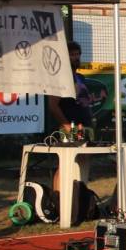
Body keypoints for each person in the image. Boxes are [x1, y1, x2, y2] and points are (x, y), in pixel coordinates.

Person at [47, 42, 95, 191]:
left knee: (83, 160)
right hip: (70, 127)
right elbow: (53, 105)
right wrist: (66, 125)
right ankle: (59, 197)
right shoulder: (60, 77)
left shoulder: (80, 77)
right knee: (66, 163)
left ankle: (79, 196)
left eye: (77, 54)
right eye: (72, 54)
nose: (76, 57)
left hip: (84, 126)